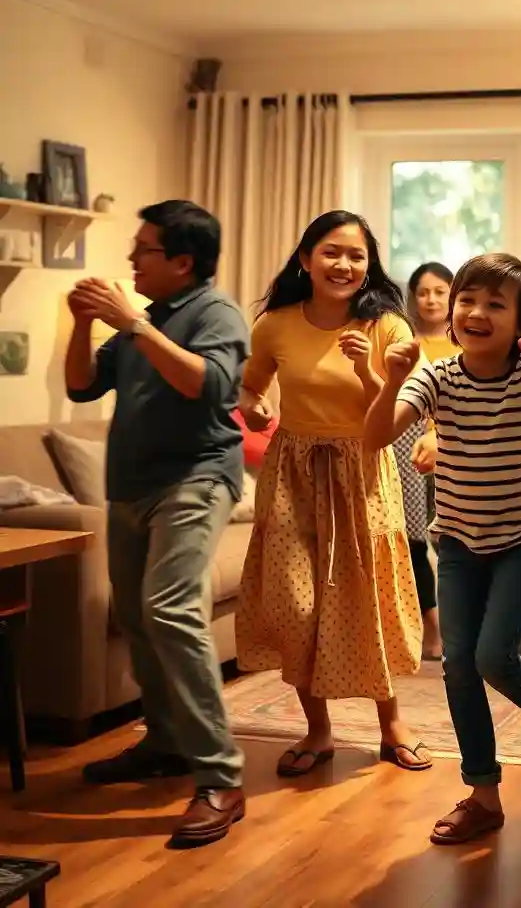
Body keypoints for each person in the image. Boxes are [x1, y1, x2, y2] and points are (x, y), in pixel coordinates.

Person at [364, 253, 521, 845]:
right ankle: (483, 794)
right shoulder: (436, 374)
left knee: (494, 656)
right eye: (467, 299)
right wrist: (391, 382)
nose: (474, 311)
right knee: (457, 666)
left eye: (495, 304)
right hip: (459, 542)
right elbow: (373, 437)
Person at [65, 199, 248, 848]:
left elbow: (212, 387)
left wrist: (133, 324)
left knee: (170, 610)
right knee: (138, 617)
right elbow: (82, 387)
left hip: (195, 479)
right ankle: (166, 743)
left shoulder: (214, 313)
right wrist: (86, 325)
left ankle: (221, 776)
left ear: (181, 261)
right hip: (130, 488)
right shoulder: (149, 319)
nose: (130, 260)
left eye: (141, 249)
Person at [235, 210, 431, 777]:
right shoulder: (275, 324)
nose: (344, 264)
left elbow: (393, 413)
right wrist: (253, 405)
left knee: (367, 602)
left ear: (368, 268)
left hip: (362, 469)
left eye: (356, 255)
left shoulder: (390, 328)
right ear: (305, 259)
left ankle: (391, 724)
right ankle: (317, 730)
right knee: (297, 605)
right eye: (331, 252)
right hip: (293, 469)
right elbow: (252, 386)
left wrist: (372, 374)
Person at [391, 261, 459, 660]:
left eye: (439, 291)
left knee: (452, 543)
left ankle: (461, 629)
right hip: (408, 452)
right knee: (414, 542)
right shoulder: (405, 341)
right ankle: (431, 631)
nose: (431, 299)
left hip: (458, 452)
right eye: (423, 292)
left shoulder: (465, 340)